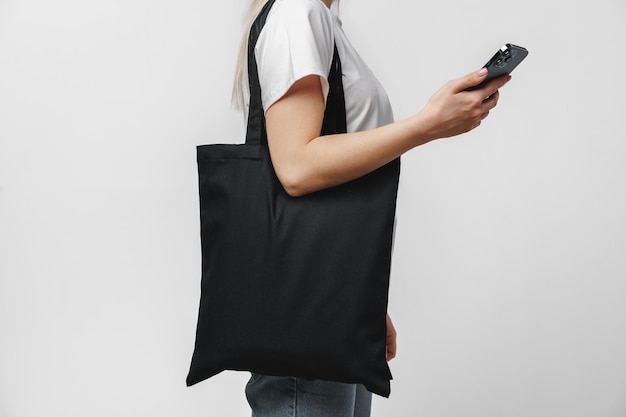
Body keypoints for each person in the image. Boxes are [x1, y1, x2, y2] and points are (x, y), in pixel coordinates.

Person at [234, 0, 511, 416]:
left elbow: (335, 169)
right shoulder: (297, 12)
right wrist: (426, 125)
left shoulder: (322, 20)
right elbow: (295, 166)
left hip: (333, 302)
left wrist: (363, 295)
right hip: (308, 310)